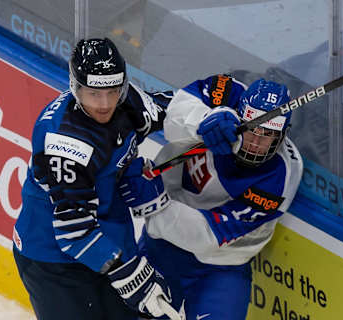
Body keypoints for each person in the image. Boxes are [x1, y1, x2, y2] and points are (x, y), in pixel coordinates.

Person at [12, 38, 177, 320]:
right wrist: (130, 274)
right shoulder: (65, 143)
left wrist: (214, 115)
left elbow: (169, 109)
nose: (104, 104)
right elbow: (74, 232)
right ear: (75, 88)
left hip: (107, 237)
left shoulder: (125, 101)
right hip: (54, 262)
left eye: (113, 92)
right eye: (93, 94)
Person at [117, 74, 303, 319]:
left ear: (282, 135)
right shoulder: (225, 90)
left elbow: (206, 235)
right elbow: (174, 112)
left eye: (267, 135)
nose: (256, 143)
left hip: (221, 268)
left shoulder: (282, 175)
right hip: (160, 249)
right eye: (253, 130)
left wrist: (155, 204)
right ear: (240, 113)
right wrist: (204, 119)